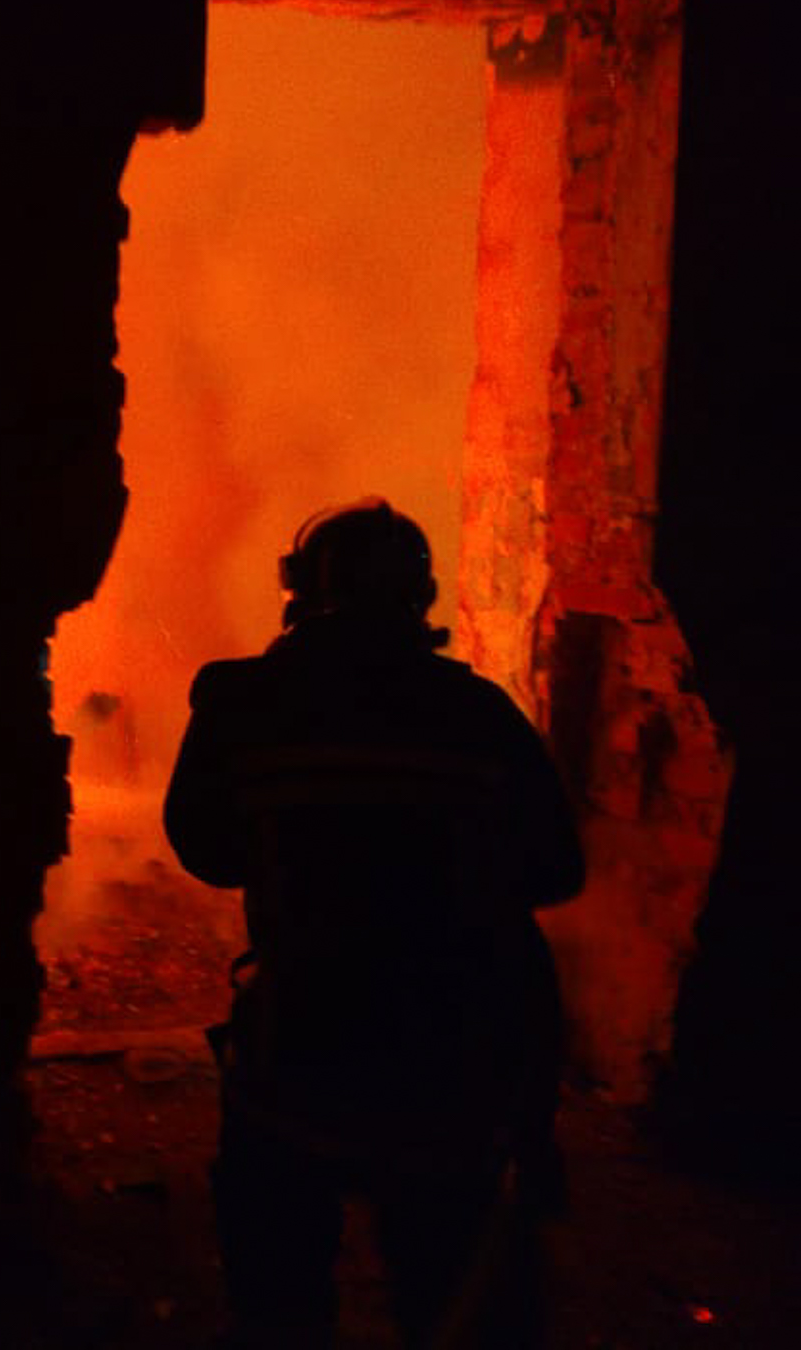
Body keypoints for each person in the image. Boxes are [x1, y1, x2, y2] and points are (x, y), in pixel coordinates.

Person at [163, 499, 583, 1349]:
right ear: (422, 595)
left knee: (278, 1293)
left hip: (298, 1044)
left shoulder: (245, 705)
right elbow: (554, 869)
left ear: (299, 589)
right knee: (452, 1288)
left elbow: (207, 848)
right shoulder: (481, 717)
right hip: (447, 1052)